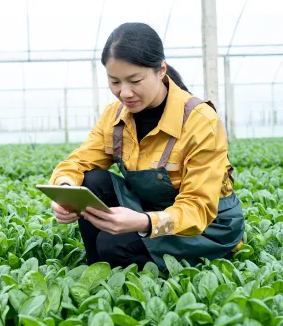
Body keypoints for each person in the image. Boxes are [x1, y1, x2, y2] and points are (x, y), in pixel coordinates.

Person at [47, 22, 244, 271]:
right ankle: (97, 265)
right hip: (149, 209)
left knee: (113, 244)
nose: (125, 92)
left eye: (135, 80)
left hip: (206, 224)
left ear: (161, 70)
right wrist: (65, 192)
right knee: (90, 182)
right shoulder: (115, 115)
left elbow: (197, 209)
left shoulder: (200, 120)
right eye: (114, 82)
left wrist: (144, 222)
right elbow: (79, 161)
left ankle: (213, 253)